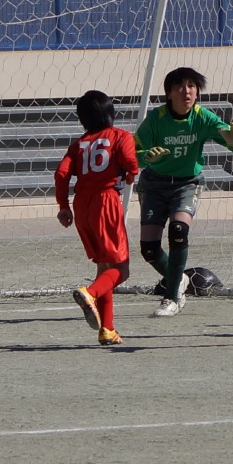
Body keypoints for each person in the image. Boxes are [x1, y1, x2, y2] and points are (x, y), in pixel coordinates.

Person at [134, 66, 233, 317]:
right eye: (179, 87)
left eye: (191, 86)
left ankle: (172, 297)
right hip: (153, 185)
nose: (186, 91)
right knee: (149, 250)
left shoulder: (203, 117)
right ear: (169, 93)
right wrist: (146, 156)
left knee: (178, 230)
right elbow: (133, 153)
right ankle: (181, 279)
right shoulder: (156, 119)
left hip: (187, 184)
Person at [56, 90, 139, 347]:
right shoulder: (121, 136)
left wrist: (63, 206)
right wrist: (132, 172)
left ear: (82, 119)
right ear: (111, 113)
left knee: (104, 267)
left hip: (82, 206)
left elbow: (61, 174)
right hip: (106, 202)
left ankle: (108, 329)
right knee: (121, 269)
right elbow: (129, 161)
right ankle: (89, 293)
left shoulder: (78, 144)